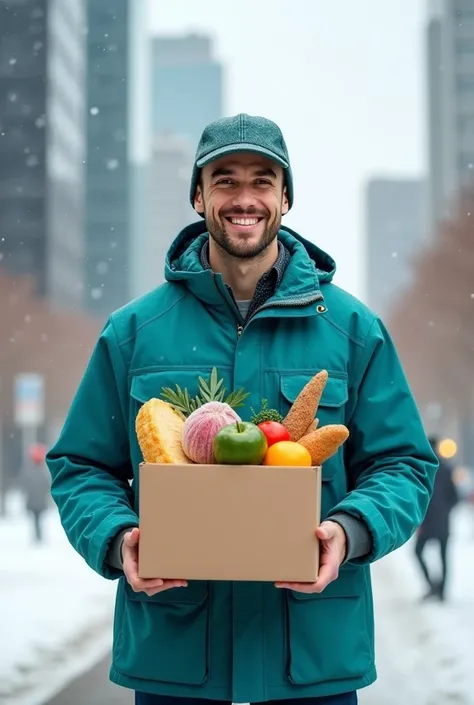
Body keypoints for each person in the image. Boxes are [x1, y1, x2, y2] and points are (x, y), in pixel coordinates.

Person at [46, 113, 438, 705]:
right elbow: (80, 464)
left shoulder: (354, 330)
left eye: (262, 179)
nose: (244, 198)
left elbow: (404, 462)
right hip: (177, 664)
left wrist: (348, 531)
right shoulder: (133, 332)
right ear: (199, 196)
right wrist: (119, 537)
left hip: (310, 663)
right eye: (225, 180)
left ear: (286, 196)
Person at [414, 436, 459, 602]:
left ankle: (433, 587)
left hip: (427, 521)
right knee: (443, 555)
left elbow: (418, 497)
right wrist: (445, 511)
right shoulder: (447, 468)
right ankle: (441, 591)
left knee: (418, 552)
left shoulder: (423, 468)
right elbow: (455, 497)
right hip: (443, 523)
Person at [21, 442, 50, 543]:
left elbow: (25, 486)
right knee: (38, 519)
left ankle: (37, 535)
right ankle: (38, 535)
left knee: (35, 519)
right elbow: (47, 486)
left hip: (33, 501)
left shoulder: (29, 473)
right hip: (40, 501)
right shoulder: (43, 473)